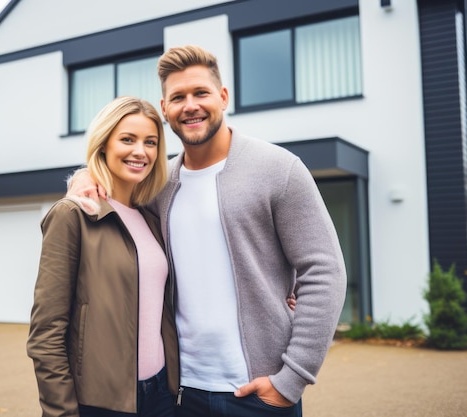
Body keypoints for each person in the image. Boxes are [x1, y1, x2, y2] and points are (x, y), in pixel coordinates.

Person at [68, 45, 347, 417]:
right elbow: (113, 186)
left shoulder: (279, 169)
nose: (190, 105)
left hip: (259, 393)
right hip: (181, 391)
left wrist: (292, 379)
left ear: (223, 97)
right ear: (164, 108)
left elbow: (325, 270)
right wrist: (83, 177)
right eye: (178, 97)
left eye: (201, 92)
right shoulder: (157, 183)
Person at [27, 96, 179, 417]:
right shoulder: (73, 215)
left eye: (150, 142)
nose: (141, 151)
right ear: (103, 145)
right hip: (101, 402)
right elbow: (46, 331)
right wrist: (61, 412)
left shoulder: (152, 219)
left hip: (161, 394)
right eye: (127, 139)